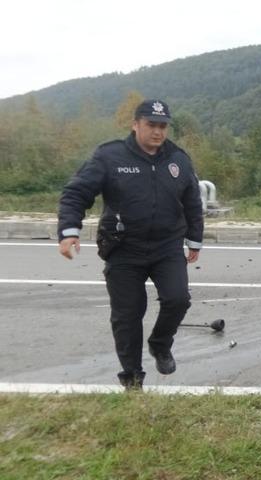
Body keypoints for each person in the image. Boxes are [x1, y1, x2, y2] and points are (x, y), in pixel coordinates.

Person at [57, 99, 204, 390]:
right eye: (151, 125)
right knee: (127, 316)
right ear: (135, 124)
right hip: (123, 248)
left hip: (166, 246)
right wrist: (68, 230)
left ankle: (160, 344)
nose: (158, 132)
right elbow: (77, 192)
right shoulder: (110, 156)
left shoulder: (178, 159)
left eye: (163, 126)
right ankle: (133, 379)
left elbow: (192, 202)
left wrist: (195, 239)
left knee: (178, 299)